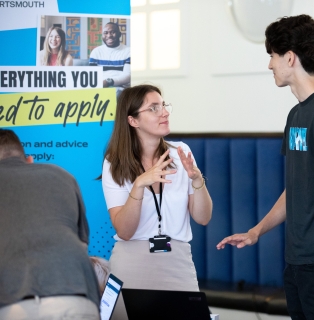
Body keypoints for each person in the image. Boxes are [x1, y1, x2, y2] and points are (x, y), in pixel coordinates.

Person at [216, 14, 314, 319]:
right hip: (297, 266)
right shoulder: (296, 116)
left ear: (289, 57)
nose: (270, 64)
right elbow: (297, 189)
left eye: (272, 56)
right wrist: (256, 231)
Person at [100, 84, 212, 320]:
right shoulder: (115, 163)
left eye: (163, 105)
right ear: (133, 121)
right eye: (153, 108)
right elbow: (125, 230)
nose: (164, 112)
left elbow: (203, 218)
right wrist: (139, 184)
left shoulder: (180, 152)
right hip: (131, 263)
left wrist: (197, 179)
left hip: (177, 261)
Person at [0, 129, 100, 320]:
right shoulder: (62, 175)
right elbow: (83, 243)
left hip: (15, 304)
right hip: (79, 297)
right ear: (29, 160)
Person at [89, 22, 131, 92]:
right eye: (105, 33)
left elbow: (128, 76)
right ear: (102, 35)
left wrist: (108, 82)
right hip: (100, 88)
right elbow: (92, 76)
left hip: (121, 88)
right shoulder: (96, 52)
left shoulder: (128, 51)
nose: (109, 35)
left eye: (113, 32)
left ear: (119, 34)